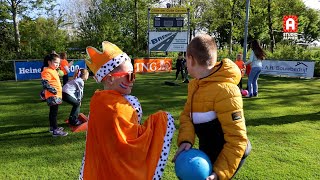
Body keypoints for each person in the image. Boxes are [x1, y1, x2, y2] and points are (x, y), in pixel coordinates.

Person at [79, 41, 176, 179]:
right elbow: (134, 141)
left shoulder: (96, 101)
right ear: (111, 79)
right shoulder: (130, 103)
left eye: (133, 75)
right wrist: (161, 121)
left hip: (102, 168)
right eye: (129, 76)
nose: (133, 80)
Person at [173, 34, 251, 180]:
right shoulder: (195, 85)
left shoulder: (226, 91)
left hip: (230, 154)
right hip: (207, 151)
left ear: (190, 59)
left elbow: (237, 139)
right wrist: (185, 140)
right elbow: (186, 115)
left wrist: (219, 173)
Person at [41, 53, 68, 137]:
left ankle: (53, 128)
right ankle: (55, 130)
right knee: (54, 113)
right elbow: (45, 83)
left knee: (53, 112)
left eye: (58, 63)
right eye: (55, 62)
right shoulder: (47, 71)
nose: (57, 65)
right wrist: (53, 91)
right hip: (52, 96)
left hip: (56, 95)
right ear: (49, 62)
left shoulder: (53, 70)